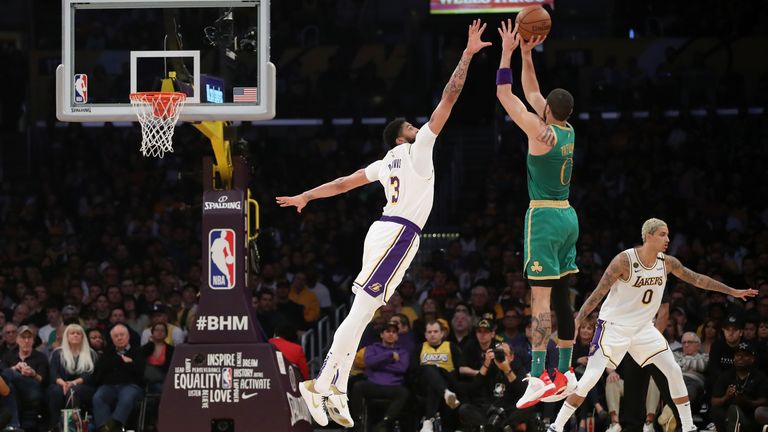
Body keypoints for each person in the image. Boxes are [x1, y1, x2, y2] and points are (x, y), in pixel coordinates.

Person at [278, 19, 493, 428]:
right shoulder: (416, 149)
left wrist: (307, 194)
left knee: (365, 313)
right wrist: (466, 54)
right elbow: (449, 99)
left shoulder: (383, 164)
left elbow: (343, 183)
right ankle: (322, 383)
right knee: (360, 314)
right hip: (396, 233)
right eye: (411, 127)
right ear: (400, 137)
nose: (419, 128)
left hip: (390, 233)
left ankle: (333, 386)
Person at [547, 218, 758, 432]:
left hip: (644, 329)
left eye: (667, 234)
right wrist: (577, 321)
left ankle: (688, 427)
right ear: (648, 236)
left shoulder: (667, 263)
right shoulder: (624, 261)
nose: (667, 239)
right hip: (613, 327)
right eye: (662, 234)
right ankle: (556, 426)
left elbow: (698, 279)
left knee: (674, 370)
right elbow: (597, 294)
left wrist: (732, 291)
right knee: (590, 377)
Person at [495, 20, 578, 407]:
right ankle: (567, 370)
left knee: (540, 301)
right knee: (563, 296)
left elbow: (507, 93)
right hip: (568, 217)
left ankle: (539, 375)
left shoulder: (537, 130)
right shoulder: (567, 130)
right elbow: (532, 91)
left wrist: (509, 51)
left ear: (546, 110)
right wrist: (529, 54)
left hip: (544, 217)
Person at [350, 321, 410, 432]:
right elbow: (368, 362)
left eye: (394, 332)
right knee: (357, 386)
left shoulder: (402, 352)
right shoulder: (372, 348)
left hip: (393, 386)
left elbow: (401, 369)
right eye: (388, 331)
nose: (391, 334)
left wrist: (378, 365)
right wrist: (389, 355)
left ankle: (384, 423)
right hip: (373, 384)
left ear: (397, 336)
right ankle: (357, 422)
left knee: (404, 393)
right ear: (382, 334)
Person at [92, 323, 145, 432]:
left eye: (122, 335)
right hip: (109, 386)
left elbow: (139, 370)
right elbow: (101, 368)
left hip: (131, 385)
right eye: (116, 336)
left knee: (126, 397)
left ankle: (112, 426)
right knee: (98, 397)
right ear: (112, 339)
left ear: (128, 336)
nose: (119, 338)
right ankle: (103, 427)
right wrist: (123, 361)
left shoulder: (138, 351)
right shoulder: (108, 352)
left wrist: (115, 364)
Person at [48, 324, 98, 431]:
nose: (75, 335)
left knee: (72, 391)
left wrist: (73, 383)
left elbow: (90, 374)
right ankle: (56, 425)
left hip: (84, 387)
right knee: (55, 391)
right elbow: (53, 373)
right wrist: (63, 383)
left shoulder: (91, 353)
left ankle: (70, 427)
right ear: (67, 337)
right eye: (72, 333)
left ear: (82, 337)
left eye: (78, 333)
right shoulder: (58, 353)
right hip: (61, 384)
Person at [710, 341, 768, 432]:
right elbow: (714, 401)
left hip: (749, 415)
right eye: (738, 355)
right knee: (721, 410)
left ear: (752, 359)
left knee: (738, 410)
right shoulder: (726, 376)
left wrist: (747, 402)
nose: (740, 358)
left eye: (745, 355)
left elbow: (764, 401)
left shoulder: (760, 377)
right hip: (728, 415)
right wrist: (726, 397)